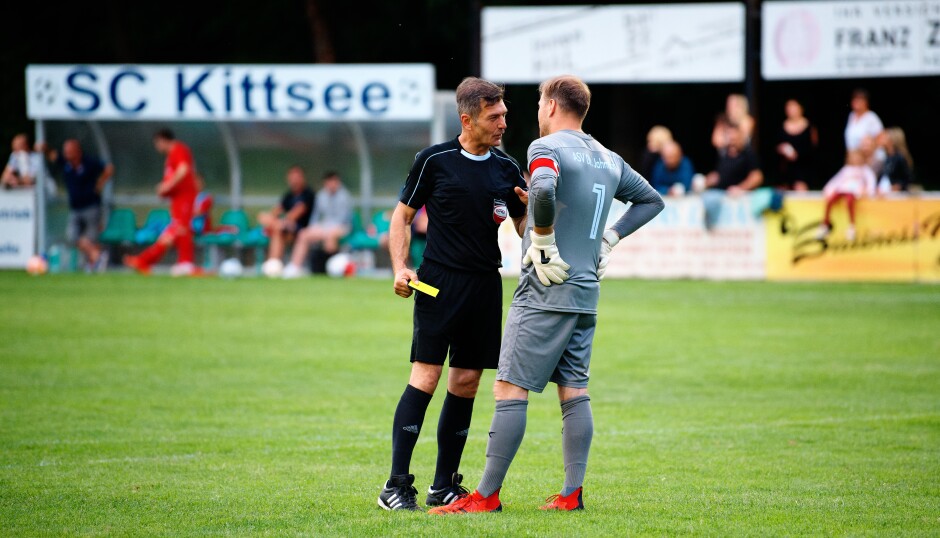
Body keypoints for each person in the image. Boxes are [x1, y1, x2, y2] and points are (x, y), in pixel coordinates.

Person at [430, 75, 664, 515]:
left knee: (508, 388)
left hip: (545, 286)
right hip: (585, 291)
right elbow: (651, 200)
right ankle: (571, 494)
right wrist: (609, 239)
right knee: (574, 390)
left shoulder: (546, 148)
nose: (537, 111)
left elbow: (542, 189)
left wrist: (542, 239)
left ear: (553, 105)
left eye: (539, 102)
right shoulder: (608, 157)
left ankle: (484, 496)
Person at [377, 77, 528, 511]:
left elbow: (522, 227)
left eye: (504, 114)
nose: (503, 123)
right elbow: (402, 217)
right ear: (467, 119)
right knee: (426, 377)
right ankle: (395, 485)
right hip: (438, 282)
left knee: (466, 383)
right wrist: (401, 268)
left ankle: (444, 485)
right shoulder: (435, 160)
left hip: (485, 284)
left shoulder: (506, 167)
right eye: (493, 116)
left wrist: (535, 207)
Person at [124, 129, 198, 276]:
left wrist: (167, 185)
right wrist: (166, 189)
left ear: (163, 140)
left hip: (184, 197)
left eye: (157, 143)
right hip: (177, 198)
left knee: (180, 229)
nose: (157, 147)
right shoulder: (172, 155)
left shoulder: (179, 149)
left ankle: (183, 263)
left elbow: (183, 170)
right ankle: (148, 260)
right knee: (177, 230)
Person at [45, 139, 114, 271]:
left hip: (91, 206)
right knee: (72, 236)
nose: (66, 154)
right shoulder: (65, 163)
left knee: (91, 237)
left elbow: (109, 168)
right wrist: (45, 148)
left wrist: (100, 182)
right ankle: (98, 255)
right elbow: (52, 155)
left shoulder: (89, 162)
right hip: (75, 208)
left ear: (77, 151)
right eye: (65, 151)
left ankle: (94, 263)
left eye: (69, 151)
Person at [282, 171, 353, 278]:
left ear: (338, 182)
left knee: (331, 235)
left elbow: (343, 219)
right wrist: (313, 228)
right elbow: (315, 216)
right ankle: (295, 267)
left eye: (334, 182)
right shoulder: (321, 195)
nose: (331, 185)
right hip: (324, 226)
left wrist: (326, 230)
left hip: (342, 227)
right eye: (329, 182)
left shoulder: (345, 196)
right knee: (304, 234)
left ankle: (330, 269)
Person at [704, 123, 764, 228]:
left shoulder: (748, 154)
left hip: (740, 202)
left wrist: (740, 188)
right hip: (722, 197)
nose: (732, 140)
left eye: (734, 137)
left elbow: (757, 177)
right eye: (729, 136)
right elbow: (719, 174)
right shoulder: (724, 154)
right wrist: (708, 180)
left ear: (740, 137)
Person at [257, 166, 314, 263]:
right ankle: (273, 263)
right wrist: (271, 217)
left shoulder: (308, 194)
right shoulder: (288, 195)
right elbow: (276, 211)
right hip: (284, 226)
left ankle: (273, 262)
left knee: (278, 227)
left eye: (296, 178)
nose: (293, 181)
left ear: (302, 178)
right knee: (271, 223)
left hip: (301, 229)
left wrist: (278, 220)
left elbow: (294, 215)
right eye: (291, 178)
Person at [817, 149, 876, 242]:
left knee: (849, 202)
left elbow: (871, 181)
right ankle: (825, 224)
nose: (856, 159)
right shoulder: (846, 169)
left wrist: (869, 191)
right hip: (842, 189)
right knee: (830, 201)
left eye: (858, 157)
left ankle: (852, 226)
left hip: (854, 191)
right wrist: (828, 189)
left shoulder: (864, 170)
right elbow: (836, 180)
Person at [775, 99, 818, 191]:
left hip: (803, 168)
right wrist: (781, 149)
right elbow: (775, 145)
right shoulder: (781, 126)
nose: (791, 110)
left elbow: (813, 148)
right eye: (788, 108)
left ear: (800, 108)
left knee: (800, 191)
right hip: (786, 168)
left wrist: (796, 153)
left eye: (793, 107)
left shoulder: (809, 127)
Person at [877, 128, 914, 192]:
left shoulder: (900, 158)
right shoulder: (887, 157)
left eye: (885, 138)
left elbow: (908, 178)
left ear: (891, 140)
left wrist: (898, 186)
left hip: (897, 196)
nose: (881, 139)